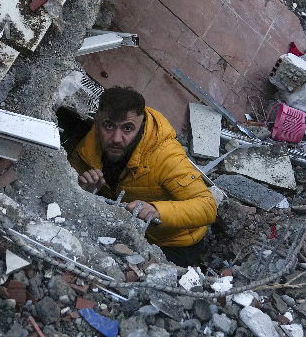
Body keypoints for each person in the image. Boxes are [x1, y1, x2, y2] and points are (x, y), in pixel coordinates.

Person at [69, 86, 217, 266]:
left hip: (174, 243)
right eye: (109, 126)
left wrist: (157, 210)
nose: (116, 138)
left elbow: (207, 206)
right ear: (98, 120)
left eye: (127, 128)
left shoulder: (165, 155)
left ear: (141, 126)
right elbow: (68, 179)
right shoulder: (92, 143)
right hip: (126, 228)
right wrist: (85, 189)